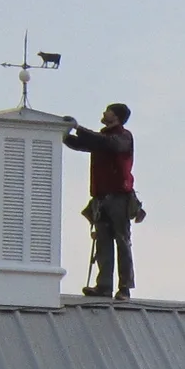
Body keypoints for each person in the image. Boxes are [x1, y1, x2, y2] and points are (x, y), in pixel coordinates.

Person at [63, 103, 142, 299]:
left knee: (122, 242)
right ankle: (104, 286)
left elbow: (109, 144)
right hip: (101, 198)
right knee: (103, 242)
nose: (104, 113)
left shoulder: (123, 137)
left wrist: (77, 128)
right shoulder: (104, 138)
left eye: (108, 110)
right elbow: (81, 144)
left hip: (119, 198)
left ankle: (124, 288)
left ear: (116, 116)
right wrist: (62, 134)